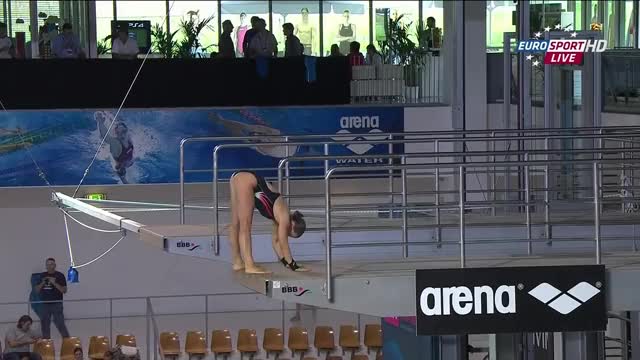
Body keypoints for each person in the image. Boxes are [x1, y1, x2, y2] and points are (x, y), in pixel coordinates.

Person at [229, 170, 307, 274]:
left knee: (236, 223)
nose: (285, 233)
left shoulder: (278, 218)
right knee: (245, 226)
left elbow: (276, 241)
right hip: (247, 180)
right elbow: (283, 242)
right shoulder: (285, 217)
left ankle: (237, 262)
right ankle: (249, 265)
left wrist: (286, 263)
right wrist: (293, 265)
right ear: (292, 225)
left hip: (240, 177)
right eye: (288, 233)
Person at [34, 258, 69, 339]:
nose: (50, 266)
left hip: (57, 303)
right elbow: (36, 290)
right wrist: (43, 282)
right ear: (46, 266)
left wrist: (54, 282)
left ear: (55, 265)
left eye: (51, 264)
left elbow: (64, 290)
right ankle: (47, 344)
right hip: (45, 304)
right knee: (45, 324)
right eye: (48, 264)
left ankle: (67, 341)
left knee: (60, 323)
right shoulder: (42, 275)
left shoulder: (60, 275)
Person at [96, 111, 134, 184]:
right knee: (122, 174)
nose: (122, 134)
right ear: (116, 134)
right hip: (120, 162)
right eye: (119, 132)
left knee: (117, 121)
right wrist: (100, 122)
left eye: (124, 131)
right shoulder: (116, 143)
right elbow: (106, 137)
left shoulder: (128, 137)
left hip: (127, 159)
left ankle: (110, 113)